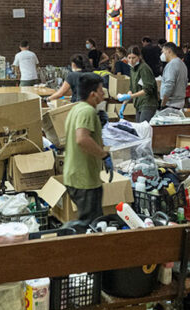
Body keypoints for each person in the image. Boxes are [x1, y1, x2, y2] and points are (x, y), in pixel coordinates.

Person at [63, 73, 113, 231]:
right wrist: (104, 155)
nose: (103, 94)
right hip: (84, 179)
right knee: (92, 226)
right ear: (93, 94)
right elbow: (82, 139)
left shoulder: (76, 109)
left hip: (76, 176)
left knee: (93, 221)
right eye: (101, 90)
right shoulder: (87, 112)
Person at [117, 46, 158, 123]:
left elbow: (147, 89)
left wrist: (131, 96)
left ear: (139, 57)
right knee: (138, 129)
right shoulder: (132, 69)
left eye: (133, 58)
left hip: (147, 103)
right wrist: (123, 105)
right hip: (138, 104)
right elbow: (131, 89)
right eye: (129, 58)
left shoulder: (143, 68)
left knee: (143, 130)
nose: (131, 60)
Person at [160, 42, 188, 109]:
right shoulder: (182, 64)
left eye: (163, 52)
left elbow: (169, 85)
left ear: (169, 51)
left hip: (171, 103)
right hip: (180, 101)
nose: (162, 55)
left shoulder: (171, 65)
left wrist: (163, 103)